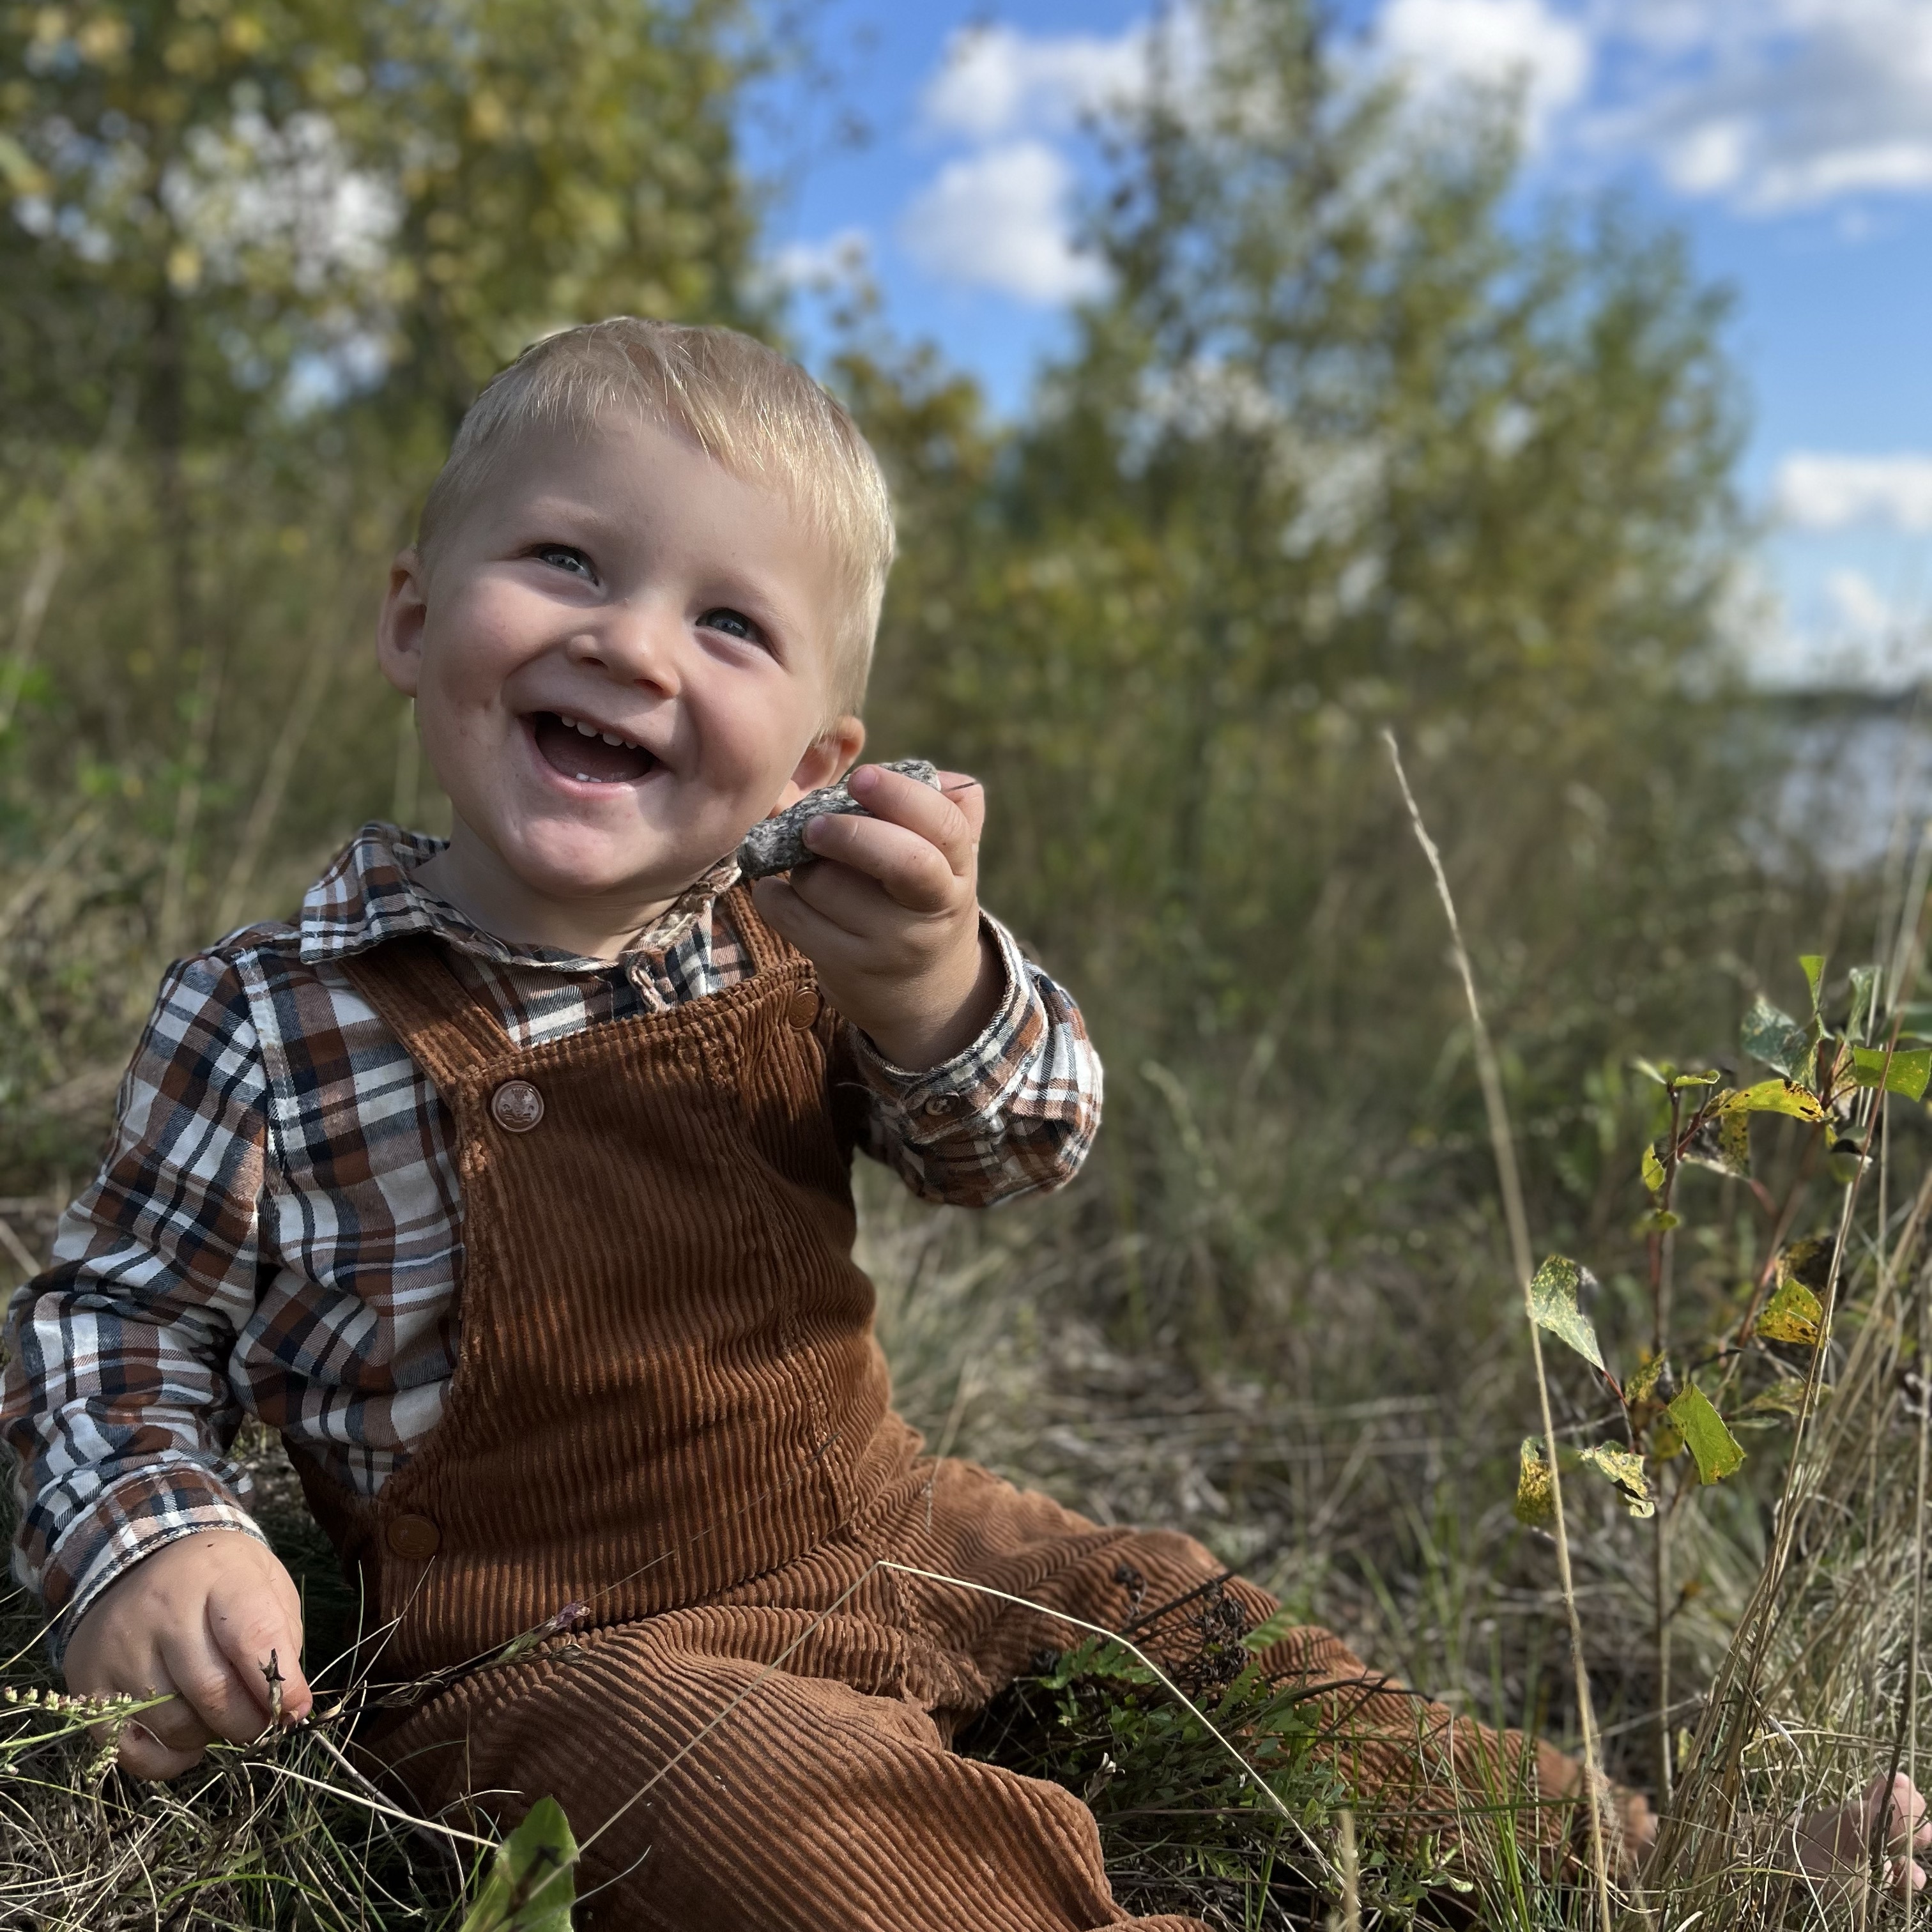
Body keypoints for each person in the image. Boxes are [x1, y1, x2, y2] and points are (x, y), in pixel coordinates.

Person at [1, 318, 1919, 1928]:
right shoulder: (273, 1009)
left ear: (822, 759)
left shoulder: (809, 931)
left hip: (889, 1529)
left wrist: (935, 989)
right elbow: (116, 1324)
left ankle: (1679, 1869)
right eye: (568, 564)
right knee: (779, 1820)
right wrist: (154, 1537)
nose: (635, 646)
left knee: (1196, 1620)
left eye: (731, 624)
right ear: (413, 619)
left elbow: (1022, 1148)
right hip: (556, 1646)